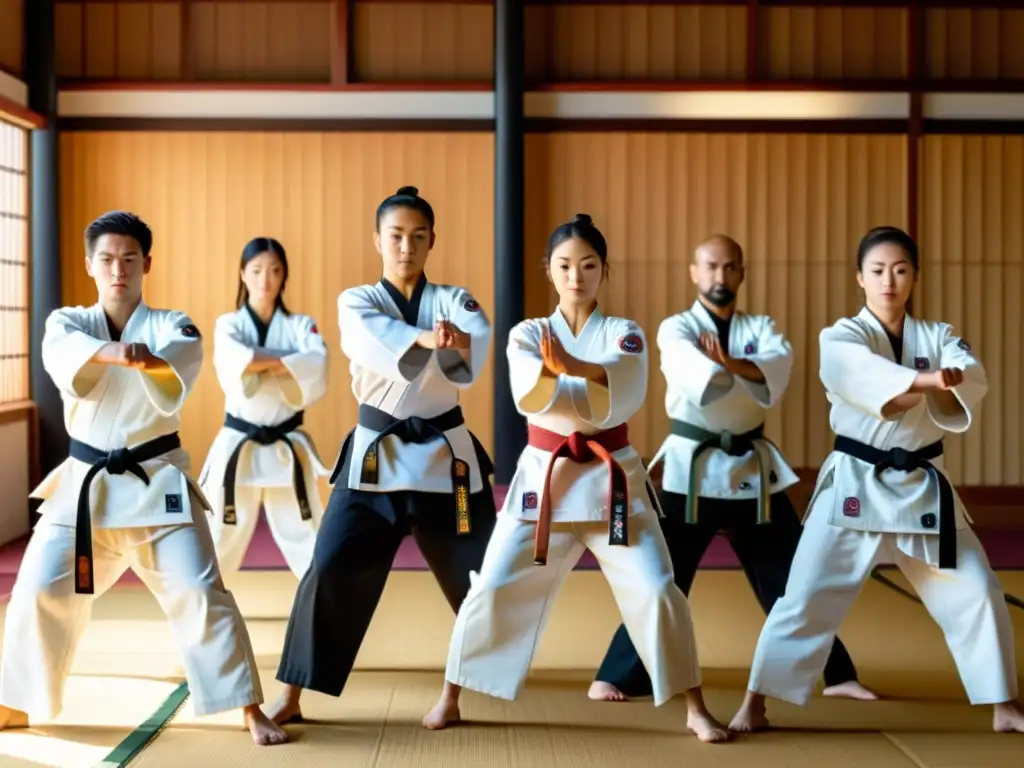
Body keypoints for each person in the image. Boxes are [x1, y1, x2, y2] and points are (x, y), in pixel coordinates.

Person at [422, 214, 730, 744]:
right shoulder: (527, 333)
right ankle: (451, 693)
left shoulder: (625, 333)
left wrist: (571, 366)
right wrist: (579, 369)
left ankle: (695, 707)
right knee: (493, 585)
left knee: (658, 589)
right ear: (549, 271)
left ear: (604, 270)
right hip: (545, 479)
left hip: (614, 484)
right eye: (565, 265)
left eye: (588, 265)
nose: (576, 276)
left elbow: (624, 384)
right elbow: (531, 393)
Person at [0, 211, 287, 745]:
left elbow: (176, 365)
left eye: (129, 259)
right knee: (36, 589)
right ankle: (15, 702)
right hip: (85, 489)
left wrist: (135, 357)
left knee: (203, 594)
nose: (118, 270)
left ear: (146, 264)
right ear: (90, 265)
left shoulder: (174, 324)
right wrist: (113, 353)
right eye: (106, 259)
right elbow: (68, 359)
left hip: (158, 486)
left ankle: (249, 707)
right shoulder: (67, 322)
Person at [730, 225, 1024, 734]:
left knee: (978, 589)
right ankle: (754, 702)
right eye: (878, 270)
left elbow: (969, 376)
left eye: (901, 269)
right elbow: (862, 379)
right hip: (854, 481)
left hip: (920, 485)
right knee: (805, 596)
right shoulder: (840, 338)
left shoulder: (938, 335)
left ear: (914, 277)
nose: (889, 280)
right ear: (860, 279)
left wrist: (940, 381)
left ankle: (1004, 704)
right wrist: (929, 383)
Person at [589, 235, 877, 705]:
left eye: (729, 267)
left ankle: (837, 673)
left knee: (792, 577)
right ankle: (617, 675)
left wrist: (728, 363)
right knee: (665, 578)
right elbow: (704, 376)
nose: (719, 277)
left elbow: (777, 369)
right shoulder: (674, 328)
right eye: (710, 267)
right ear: (693, 272)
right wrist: (741, 369)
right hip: (691, 471)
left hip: (752, 471)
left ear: (742, 273)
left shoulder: (761, 326)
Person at [267, 186, 497, 724]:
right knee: (327, 566)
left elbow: (474, 341)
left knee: (480, 577)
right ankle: (293, 693)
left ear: (432, 240)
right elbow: (371, 339)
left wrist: (453, 340)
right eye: (395, 235)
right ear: (377, 239)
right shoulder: (358, 300)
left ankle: (454, 696)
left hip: (448, 463)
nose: (406, 246)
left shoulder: (454, 298)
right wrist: (429, 341)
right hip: (376, 459)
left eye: (418, 236)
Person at [200, 237, 330, 579]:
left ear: (284, 275)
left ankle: (317, 607)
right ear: (242, 274)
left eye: (274, 270)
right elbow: (234, 362)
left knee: (306, 532)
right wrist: (288, 362)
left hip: (285, 446)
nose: (265, 280)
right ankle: (210, 606)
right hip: (238, 445)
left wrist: (258, 361)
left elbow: (316, 363)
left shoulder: (302, 325)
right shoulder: (228, 325)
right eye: (256, 270)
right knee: (221, 533)